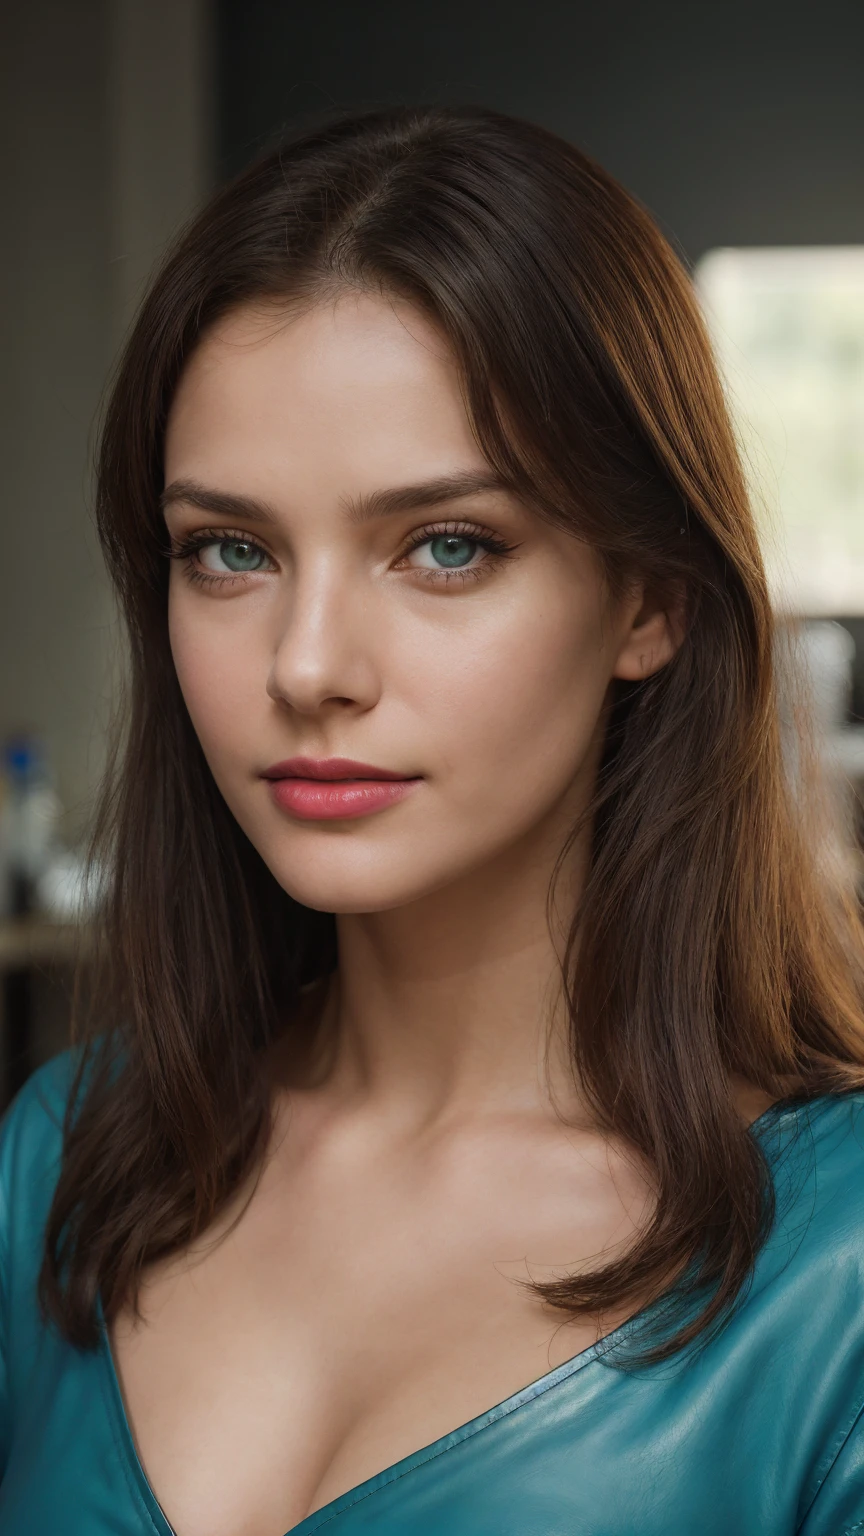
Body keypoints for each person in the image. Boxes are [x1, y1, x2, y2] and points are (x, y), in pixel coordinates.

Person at [1, 103, 863, 1536]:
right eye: (230, 551)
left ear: (651, 599)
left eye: (446, 547)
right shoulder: (67, 1160)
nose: (307, 664)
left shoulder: (834, 1268)